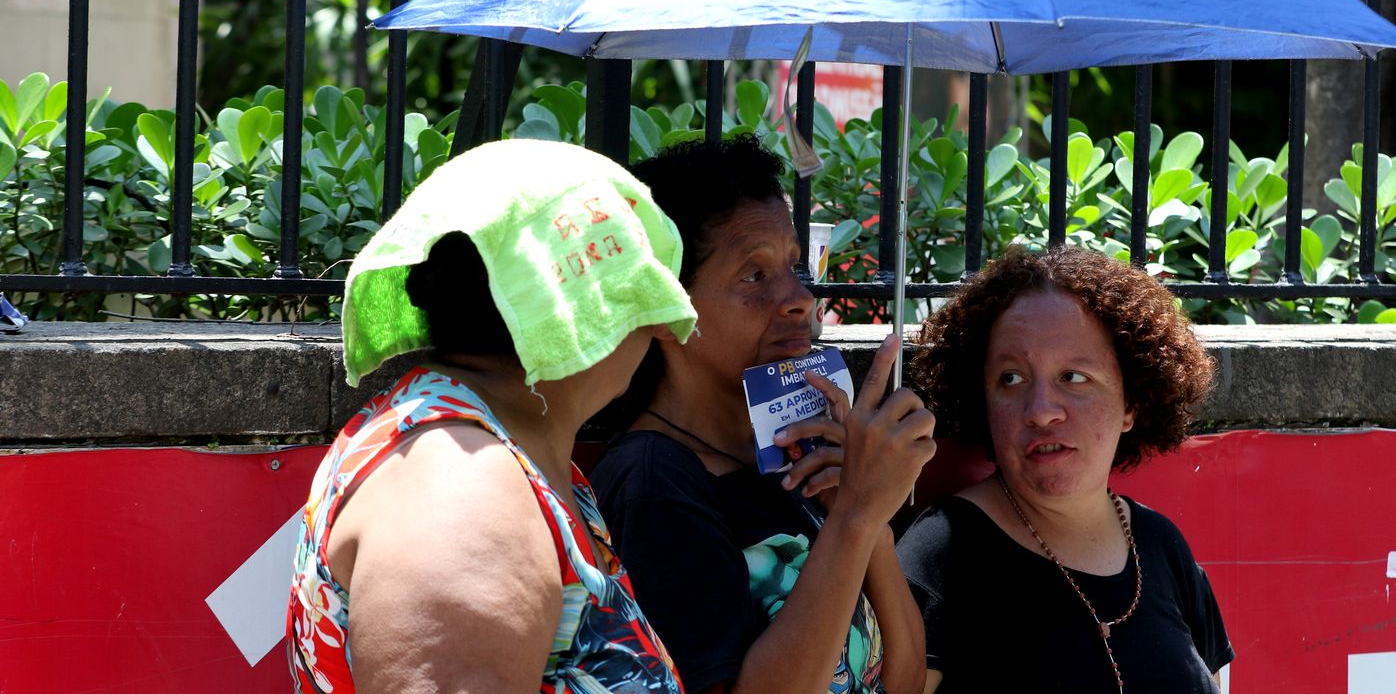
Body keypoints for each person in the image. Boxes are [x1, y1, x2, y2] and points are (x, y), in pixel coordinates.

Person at [287, 139, 698, 693]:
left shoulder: (483, 446)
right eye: (642, 301)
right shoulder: (462, 484)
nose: (661, 329)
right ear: (574, 316)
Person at [589, 135, 933, 694]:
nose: (799, 297)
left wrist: (866, 518)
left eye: (795, 267)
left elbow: (906, 682)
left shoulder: (796, 458)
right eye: (754, 276)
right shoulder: (654, 483)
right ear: (669, 308)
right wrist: (855, 519)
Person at [899, 245, 1232, 693]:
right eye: (1011, 378)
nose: (1040, 411)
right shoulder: (942, 552)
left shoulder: (1162, 545)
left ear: (1131, 401)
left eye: (1073, 377)